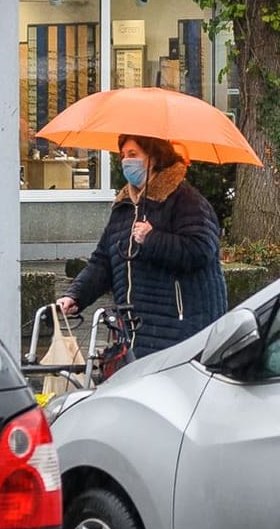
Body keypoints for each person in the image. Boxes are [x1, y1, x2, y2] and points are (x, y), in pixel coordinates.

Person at [54, 134, 228, 361]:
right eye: (123, 155)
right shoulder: (124, 207)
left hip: (179, 330)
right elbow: (103, 261)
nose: (126, 161)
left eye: (133, 155)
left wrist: (152, 239)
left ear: (154, 157)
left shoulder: (186, 200)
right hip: (133, 331)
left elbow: (200, 250)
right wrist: (75, 296)